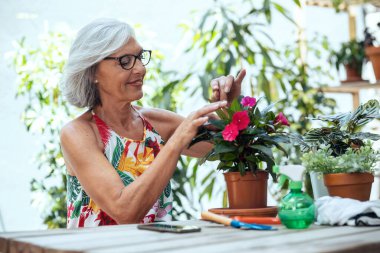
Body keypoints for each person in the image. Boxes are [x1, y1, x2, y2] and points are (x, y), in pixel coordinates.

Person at [60, 18, 246, 228]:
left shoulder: (157, 123)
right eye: (125, 61)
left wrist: (228, 106)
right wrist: (176, 142)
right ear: (92, 70)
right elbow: (125, 212)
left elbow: (231, 149)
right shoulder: (78, 133)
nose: (140, 69)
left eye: (140, 57)